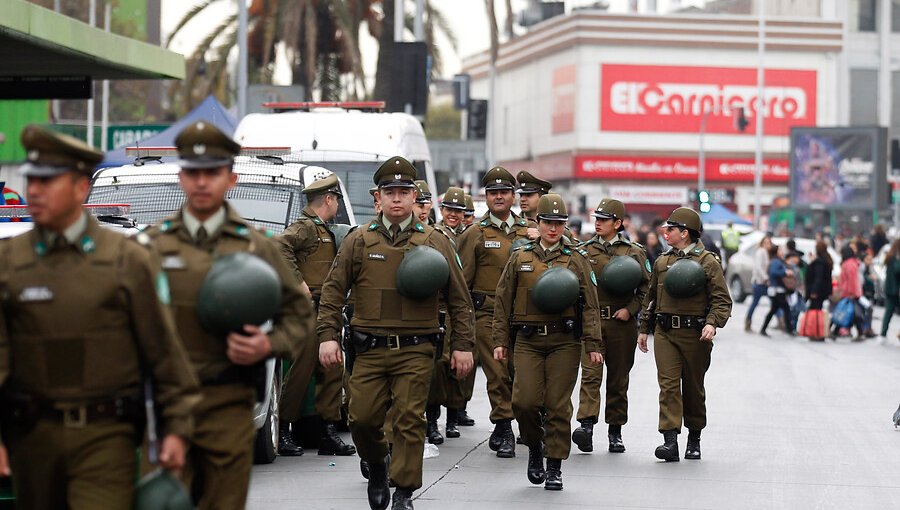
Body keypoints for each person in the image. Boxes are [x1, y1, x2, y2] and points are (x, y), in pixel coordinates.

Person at [0, 125, 200, 509]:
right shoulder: (10, 262)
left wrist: (176, 429)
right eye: (32, 180)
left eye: (48, 181)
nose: (35, 190)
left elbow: (163, 355)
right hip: (32, 438)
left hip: (104, 437)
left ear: (80, 189)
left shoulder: (126, 260)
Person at [144, 121, 314, 509]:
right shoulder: (150, 246)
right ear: (182, 177)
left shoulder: (256, 247)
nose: (202, 182)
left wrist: (268, 344)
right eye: (193, 172)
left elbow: (300, 312)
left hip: (228, 404)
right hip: (165, 409)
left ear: (231, 178)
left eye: (212, 173)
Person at [317, 156, 474, 510]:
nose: (398, 199)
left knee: (408, 419)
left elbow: (459, 299)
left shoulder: (434, 241)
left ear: (415, 198)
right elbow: (332, 291)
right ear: (378, 199)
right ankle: (376, 464)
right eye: (391, 192)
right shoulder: (359, 241)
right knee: (361, 418)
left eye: (405, 192)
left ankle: (404, 492)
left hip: (416, 348)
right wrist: (327, 335)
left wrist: (463, 346)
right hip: (369, 349)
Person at [492, 194, 603, 491]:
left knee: (557, 405)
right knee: (524, 402)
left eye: (558, 223)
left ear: (564, 226)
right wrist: (500, 340)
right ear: (537, 223)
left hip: (563, 341)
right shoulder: (520, 256)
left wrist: (593, 345)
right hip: (527, 341)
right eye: (548, 223)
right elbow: (503, 301)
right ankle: (535, 448)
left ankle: (554, 464)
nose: (553, 229)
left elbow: (590, 305)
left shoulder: (576, 258)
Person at [638, 207, 732, 462]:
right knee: (668, 386)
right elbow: (651, 299)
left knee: (693, 387)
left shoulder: (707, 262)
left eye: (671, 229)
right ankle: (670, 441)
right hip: (665, 332)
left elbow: (722, 301)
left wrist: (712, 323)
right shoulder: (662, 261)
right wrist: (644, 329)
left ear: (685, 233)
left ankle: (694, 438)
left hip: (695, 333)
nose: (665, 232)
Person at [457, 167, 538, 459]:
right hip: (487, 315)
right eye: (493, 193)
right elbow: (462, 283)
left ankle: (527, 424)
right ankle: (503, 425)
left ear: (513, 196)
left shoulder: (530, 230)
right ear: (486, 197)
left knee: (523, 375)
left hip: (525, 315)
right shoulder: (474, 234)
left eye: (504, 192)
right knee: (497, 373)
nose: (499, 197)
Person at [277, 172, 356, 457]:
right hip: (308, 310)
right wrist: (298, 283)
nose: (337, 207)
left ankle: (328, 431)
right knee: (302, 369)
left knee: (332, 369)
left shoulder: (322, 228)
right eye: (335, 200)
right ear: (329, 199)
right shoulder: (306, 227)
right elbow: (280, 246)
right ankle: (283, 429)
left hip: (326, 309)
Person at [571, 198, 649, 454]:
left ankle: (615, 430)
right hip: (593, 323)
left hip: (620, 325)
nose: (598, 224)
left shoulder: (634, 252)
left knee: (618, 379)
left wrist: (631, 310)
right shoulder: (584, 251)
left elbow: (647, 290)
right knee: (591, 376)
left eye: (604, 220)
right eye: (596, 219)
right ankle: (586, 427)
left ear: (618, 223)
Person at [425, 187, 472, 443]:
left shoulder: (470, 235)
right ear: (442, 211)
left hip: (459, 308)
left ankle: (454, 416)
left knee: (458, 366)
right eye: (449, 210)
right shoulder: (434, 234)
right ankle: (432, 421)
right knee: (437, 367)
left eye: (458, 211)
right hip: (438, 308)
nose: (453, 215)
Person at [759, 245, 796, 337]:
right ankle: (790, 329)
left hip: (778, 290)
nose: (782, 252)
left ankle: (764, 328)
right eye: (780, 250)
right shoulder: (776, 261)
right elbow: (773, 272)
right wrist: (785, 272)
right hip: (777, 290)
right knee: (785, 309)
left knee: (774, 310)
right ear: (776, 252)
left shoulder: (778, 261)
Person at [833, 245, 866, 341]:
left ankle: (836, 331)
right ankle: (859, 332)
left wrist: (851, 292)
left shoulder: (848, 264)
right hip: (852, 292)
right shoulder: (852, 263)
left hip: (849, 292)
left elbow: (851, 280)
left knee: (845, 312)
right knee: (849, 312)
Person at [745, 235, 772, 332]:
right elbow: (758, 267)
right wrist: (765, 278)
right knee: (773, 301)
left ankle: (748, 322)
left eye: (769, 243)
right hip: (759, 282)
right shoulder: (761, 252)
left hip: (760, 282)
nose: (768, 245)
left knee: (755, 302)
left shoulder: (764, 252)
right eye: (766, 243)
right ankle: (748, 322)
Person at [879, 240, 900, 339]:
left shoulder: (890, 257)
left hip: (891, 290)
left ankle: (883, 334)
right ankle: (883, 334)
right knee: (889, 312)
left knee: (889, 312)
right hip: (894, 290)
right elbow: (897, 270)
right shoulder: (893, 258)